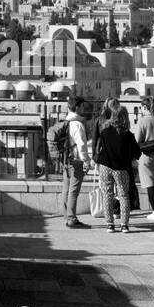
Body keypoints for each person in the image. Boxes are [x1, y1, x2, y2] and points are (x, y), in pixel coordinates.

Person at [94, 105, 141, 233]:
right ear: (125, 118)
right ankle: (124, 225)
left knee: (107, 195)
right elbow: (137, 153)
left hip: (105, 166)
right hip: (121, 168)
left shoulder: (104, 132)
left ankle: (110, 224)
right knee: (123, 196)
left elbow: (101, 149)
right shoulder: (128, 135)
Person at [61, 95, 91, 229]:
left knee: (66, 189)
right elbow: (81, 146)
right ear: (77, 107)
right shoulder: (77, 124)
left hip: (66, 160)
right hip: (76, 161)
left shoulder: (65, 121)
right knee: (73, 191)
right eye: (83, 106)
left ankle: (67, 215)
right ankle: (72, 219)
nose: (84, 109)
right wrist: (86, 161)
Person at [134, 96, 154, 223]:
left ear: (144, 107)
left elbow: (137, 140)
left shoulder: (142, 121)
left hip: (146, 157)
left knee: (150, 184)